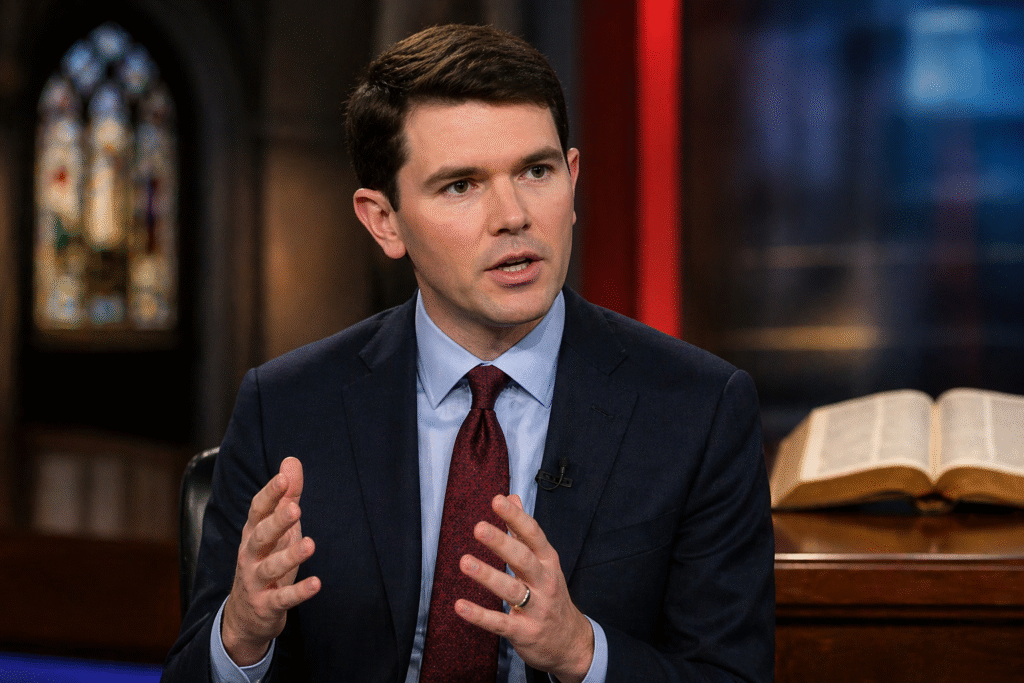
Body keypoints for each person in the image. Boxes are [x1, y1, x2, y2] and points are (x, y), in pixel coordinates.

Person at [161, 23, 774, 683]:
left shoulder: (699, 410)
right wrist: (242, 636)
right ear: (383, 220)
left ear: (571, 182)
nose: (512, 215)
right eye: (461, 185)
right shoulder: (285, 407)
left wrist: (581, 651)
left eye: (536, 172)